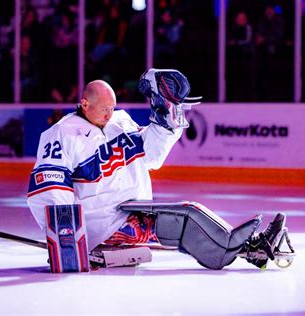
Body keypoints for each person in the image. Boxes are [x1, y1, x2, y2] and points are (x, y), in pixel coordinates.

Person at [27, 69, 290, 270]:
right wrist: (66, 238)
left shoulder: (121, 121)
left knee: (187, 216)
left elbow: (152, 156)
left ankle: (249, 246)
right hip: (102, 224)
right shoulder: (61, 133)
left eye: (112, 107)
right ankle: (250, 246)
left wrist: (167, 121)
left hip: (133, 209)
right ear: (85, 104)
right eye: (104, 109)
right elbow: (49, 187)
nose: (110, 113)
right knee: (187, 216)